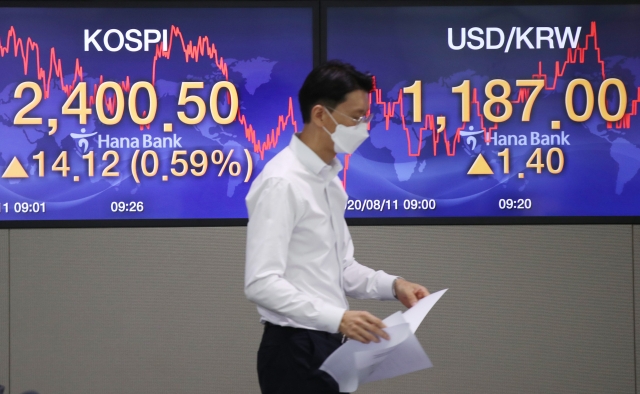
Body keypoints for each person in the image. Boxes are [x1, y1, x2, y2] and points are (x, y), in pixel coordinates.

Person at [244, 60, 429, 394]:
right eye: (355, 118)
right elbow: (261, 283)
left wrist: (394, 285)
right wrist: (338, 318)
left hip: (328, 344)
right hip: (293, 349)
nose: (364, 128)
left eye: (365, 118)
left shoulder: (329, 181)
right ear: (320, 115)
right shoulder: (282, 182)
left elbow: (340, 268)